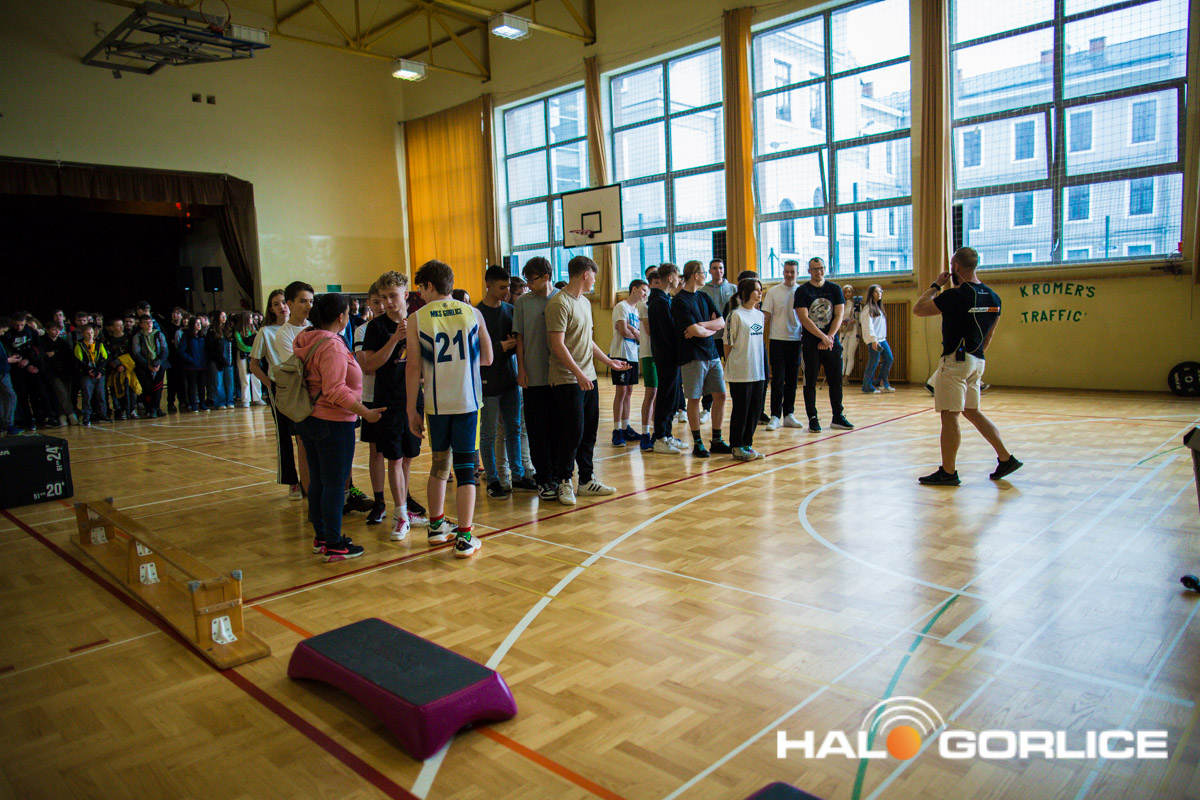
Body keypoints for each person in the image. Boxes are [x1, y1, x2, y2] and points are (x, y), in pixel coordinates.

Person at [406, 259, 492, 557]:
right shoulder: (472, 312)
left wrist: (412, 410)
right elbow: (488, 358)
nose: (420, 294)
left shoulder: (417, 318)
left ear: (430, 285)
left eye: (421, 288)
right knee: (466, 470)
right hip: (467, 402)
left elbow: (413, 368)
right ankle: (465, 537)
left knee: (439, 465)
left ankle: (436, 526)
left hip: (436, 404)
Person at [913, 247, 1021, 485]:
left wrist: (935, 285)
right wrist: (974, 357)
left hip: (956, 360)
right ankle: (1006, 458)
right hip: (977, 360)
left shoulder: (956, 295)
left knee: (949, 416)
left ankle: (948, 472)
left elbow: (918, 309)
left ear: (956, 267)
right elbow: (989, 335)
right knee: (971, 411)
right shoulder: (994, 298)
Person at [292, 293, 384, 561]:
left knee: (319, 481)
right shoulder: (331, 345)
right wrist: (365, 413)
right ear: (341, 317)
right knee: (333, 484)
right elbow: (335, 390)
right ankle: (333, 544)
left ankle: (322, 537)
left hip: (311, 419)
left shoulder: (308, 337)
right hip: (332, 422)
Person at [545, 255, 628, 504]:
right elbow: (557, 345)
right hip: (567, 379)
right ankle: (563, 481)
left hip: (588, 377)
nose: (594, 280)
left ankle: (586, 480)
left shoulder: (583, 302)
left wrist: (609, 362)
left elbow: (587, 341)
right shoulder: (559, 303)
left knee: (589, 432)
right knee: (571, 433)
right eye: (593, 276)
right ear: (585, 274)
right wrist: (578, 373)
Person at [359, 271, 424, 540]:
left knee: (408, 458)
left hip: (414, 400)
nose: (387, 302)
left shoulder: (419, 321)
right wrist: (395, 339)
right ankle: (399, 514)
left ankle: (405, 509)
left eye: (392, 296)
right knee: (394, 459)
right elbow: (370, 365)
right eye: (383, 297)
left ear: (405, 295)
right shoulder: (376, 327)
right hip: (388, 401)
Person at [477, 265, 537, 499]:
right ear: (488, 285)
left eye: (508, 287)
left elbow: (517, 344)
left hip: (510, 380)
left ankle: (518, 475)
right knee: (489, 433)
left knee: (514, 428)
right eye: (502, 287)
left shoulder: (510, 310)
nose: (506, 292)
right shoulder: (477, 314)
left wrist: (513, 346)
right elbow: (474, 351)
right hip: (488, 383)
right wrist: (499, 347)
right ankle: (493, 479)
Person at [250, 282, 313, 499]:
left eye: (282, 303)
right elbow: (254, 365)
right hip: (281, 387)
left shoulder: (310, 326)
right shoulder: (267, 332)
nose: (281, 307)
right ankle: (292, 481)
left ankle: (309, 481)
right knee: (285, 436)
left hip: (304, 386)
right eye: (275, 304)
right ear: (271, 308)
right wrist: (270, 384)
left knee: (303, 438)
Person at [672, 261, 730, 458]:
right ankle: (697, 442)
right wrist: (705, 328)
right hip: (692, 356)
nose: (706, 275)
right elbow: (694, 331)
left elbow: (721, 322)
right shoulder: (679, 301)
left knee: (721, 395)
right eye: (704, 272)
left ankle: (717, 440)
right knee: (694, 398)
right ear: (696, 275)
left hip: (712, 353)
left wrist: (703, 325)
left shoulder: (704, 296)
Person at [514, 256, 560, 499]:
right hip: (534, 376)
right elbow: (520, 339)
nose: (528, 285)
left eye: (531, 280)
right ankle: (544, 480)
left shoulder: (561, 298)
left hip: (559, 376)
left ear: (546, 277)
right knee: (537, 430)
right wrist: (521, 369)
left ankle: (560, 477)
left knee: (559, 429)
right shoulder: (523, 302)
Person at [794, 257, 853, 433]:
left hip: (831, 341)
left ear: (824, 269)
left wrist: (829, 337)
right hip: (811, 343)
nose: (818, 272)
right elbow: (804, 318)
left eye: (821, 268)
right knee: (810, 381)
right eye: (814, 269)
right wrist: (821, 337)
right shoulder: (802, 291)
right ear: (809, 271)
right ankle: (812, 418)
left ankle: (838, 416)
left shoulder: (834, 289)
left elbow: (839, 315)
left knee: (836, 380)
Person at [725, 278, 767, 460]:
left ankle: (747, 444)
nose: (760, 293)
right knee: (741, 409)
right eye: (756, 289)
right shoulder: (735, 315)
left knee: (755, 409)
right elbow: (727, 344)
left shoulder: (760, 315)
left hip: (757, 371)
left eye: (760, 289)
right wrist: (732, 365)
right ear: (745, 293)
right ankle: (736, 446)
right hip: (740, 371)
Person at [647, 263, 687, 455]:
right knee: (666, 396)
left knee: (673, 396)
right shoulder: (659, 302)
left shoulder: (664, 299)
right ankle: (660, 437)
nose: (679, 279)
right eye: (677, 276)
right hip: (666, 356)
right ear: (670, 278)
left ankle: (667, 434)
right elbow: (666, 333)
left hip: (670, 355)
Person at [760, 260, 803, 431]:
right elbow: (765, 316)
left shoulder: (802, 291)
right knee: (778, 379)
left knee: (792, 379)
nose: (789, 275)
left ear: (797, 273)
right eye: (786, 271)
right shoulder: (773, 292)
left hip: (796, 340)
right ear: (783, 272)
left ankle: (789, 414)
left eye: (792, 272)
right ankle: (775, 415)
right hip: (777, 340)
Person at [608, 279, 645, 448]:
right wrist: (635, 333)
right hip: (621, 354)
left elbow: (638, 335)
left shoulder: (636, 311)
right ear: (634, 289)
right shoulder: (621, 307)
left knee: (629, 391)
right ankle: (617, 430)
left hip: (633, 354)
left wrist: (633, 330)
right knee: (621, 391)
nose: (645, 294)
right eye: (643, 290)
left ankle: (626, 427)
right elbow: (623, 331)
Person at [699, 258, 736, 418]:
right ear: (709, 271)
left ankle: (736, 405)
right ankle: (706, 408)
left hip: (729, 338)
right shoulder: (703, 291)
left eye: (720, 268)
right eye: (714, 268)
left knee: (732, 370)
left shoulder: (733, 288)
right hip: (711, 338)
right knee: (708, 373)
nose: (718, 271)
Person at [636, 268, 659, 451]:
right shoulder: (645, 305)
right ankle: (645, 433)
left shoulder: (665, 301)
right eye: (655, 283)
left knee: (659, 393)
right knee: (651, 392)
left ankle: (659, 432)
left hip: (662, 353)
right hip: (649, 352)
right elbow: (650, 330)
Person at [131, 314, 169, 416]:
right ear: (141, 324)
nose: (149, 324)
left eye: (150, 322)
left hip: (158, 364)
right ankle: (149, 408)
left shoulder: (158, 334)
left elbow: (165, 349)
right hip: (144, 365)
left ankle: (156, 407)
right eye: (146, 323)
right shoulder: (138, 337)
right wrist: (147, 365)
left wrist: (158, 362)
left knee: (158, 387)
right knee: (147, 388)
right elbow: (136, 353)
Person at [73, 323, 109, 425]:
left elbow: (104, 357)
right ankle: (86, 415)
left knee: (101, 394)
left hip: (99, 373)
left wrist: (99, 371)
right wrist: (88, 370)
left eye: (92, 333)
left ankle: (102, 413)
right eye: (88, 333)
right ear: (83, 334)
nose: (90, 335)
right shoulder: (79, 345)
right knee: (87, 395)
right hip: (86, 374)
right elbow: (79, 360)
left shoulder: (99, 344)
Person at [859, 285, 894, 393]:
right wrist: (873, 340)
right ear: (871, 294)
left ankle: (881, 381)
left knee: (889, 359)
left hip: (882, 339)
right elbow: (868, 326)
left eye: (880, 291)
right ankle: (867, 386)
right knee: (873, 362)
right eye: (876, 292)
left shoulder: (878, 307)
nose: (879, 294)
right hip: (874, 340)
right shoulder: (867, 308)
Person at [41, 320, 75, 426]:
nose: (56, 332)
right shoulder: (42, 342)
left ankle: (62, 416)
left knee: (66, 395)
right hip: (52, 373)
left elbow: (68, 357)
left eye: (58, 330)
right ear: (47, 330)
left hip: (65, 371)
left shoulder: (62, 343)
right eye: (53, 329)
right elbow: (43, 358)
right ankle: (71, 414)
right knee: (62, 393)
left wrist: (55, 354)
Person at [104, 316, 138, 420]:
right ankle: (120, 409)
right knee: (116, 389)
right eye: (118, 325)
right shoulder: (108, 340)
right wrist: (117, 365)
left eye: (122, 325)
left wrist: (124, 364)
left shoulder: (129, 338)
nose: (121, 327)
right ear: (112, 327)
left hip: (128, 367)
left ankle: (132, 410)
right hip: (114, 369)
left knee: (131, 389)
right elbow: (107, 355)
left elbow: (132, 353)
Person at [176, 316, 207, 412]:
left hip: (202, 365)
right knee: (192, 386)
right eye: (197, 323)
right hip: (191, 366)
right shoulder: (186, 337)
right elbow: (181, 351)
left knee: (201, 385)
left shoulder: (202, 337)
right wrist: (190, 360)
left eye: (200, 323)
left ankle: (202, 403)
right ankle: (193, 404)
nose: (199, 325)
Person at [234, 312, 264, 407]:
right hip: (243, 355)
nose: (252, 320)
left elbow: (257, 342)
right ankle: (246, 399)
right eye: (250, 318)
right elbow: (241, 346)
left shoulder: (253, 330)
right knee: (245, 378)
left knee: (256, 377)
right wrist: (252, 349)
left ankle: (257, 398)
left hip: (253, 355)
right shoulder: (237, 332)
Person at [163, 307, 186, 413]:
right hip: (171, 358)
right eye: (173, 313)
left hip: (182, 358)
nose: (175, 315)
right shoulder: (167, 327)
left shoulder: (184, 327)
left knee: (182, 381)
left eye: (178, 313)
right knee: (172, 382)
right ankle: (171, 403)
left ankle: (183, 401)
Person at [840, 284, 861, 385]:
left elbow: (859, 319)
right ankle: (841, 375)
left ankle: (846, 376)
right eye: (845, 292)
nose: (847, 294)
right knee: (843, 354)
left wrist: (852, 321)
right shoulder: (841, 304)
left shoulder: (856, 305)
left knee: (850, 354)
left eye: (849, 292)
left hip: (853, 331)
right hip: (843, 330)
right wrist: (842, 322)